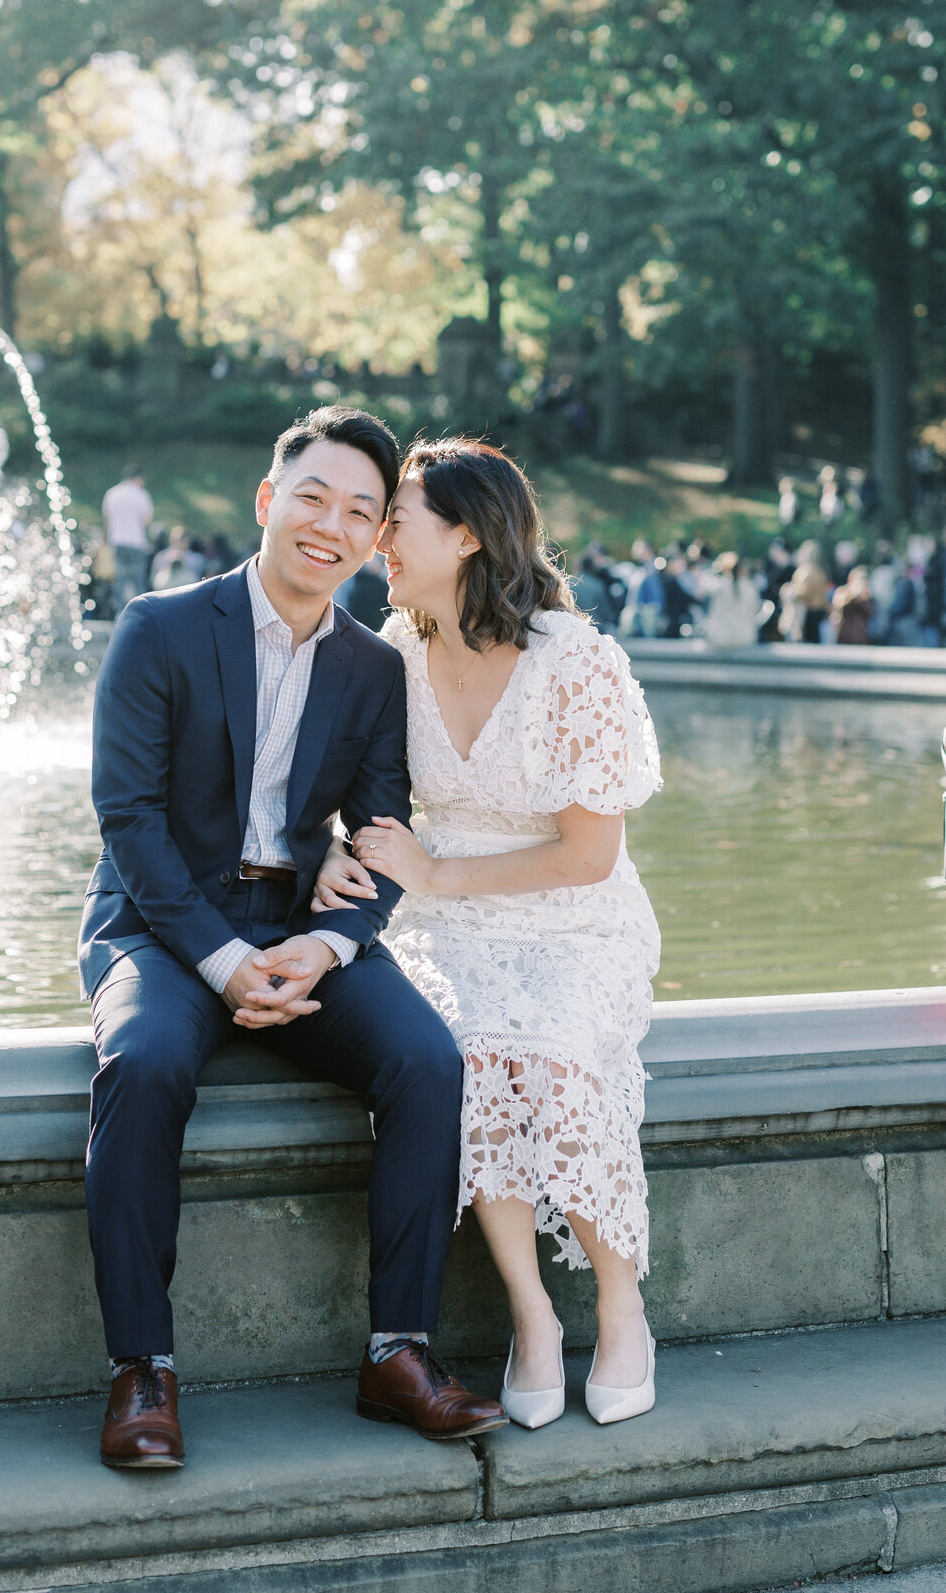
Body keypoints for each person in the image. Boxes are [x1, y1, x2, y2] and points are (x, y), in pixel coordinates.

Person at [79, 405, 506, 1471]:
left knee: (426, 1059)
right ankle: (143, 1369)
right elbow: (127, 821)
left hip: (299, 927)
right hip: (164, 926)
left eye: (362, 511)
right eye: (313, 497)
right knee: (141, 1063)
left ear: (374, 542)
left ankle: (396, 1352)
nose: (333, 523)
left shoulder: (373, 669)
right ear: (270, 503)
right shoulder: (161, 627)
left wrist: (329, 945)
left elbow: (380, 832)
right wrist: (224, 967)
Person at [315, 439, 662, 1430]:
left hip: (575, 916)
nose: (377, 537)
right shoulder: (388, 652)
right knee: (460, 1056)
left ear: (466, 534)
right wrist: (335, 860)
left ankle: (622, 1304)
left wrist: (436, 873)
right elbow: (351, 801)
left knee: (549, 1050)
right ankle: (533, 1315)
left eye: (397, 520)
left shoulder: (576, 660)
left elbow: (588, 857)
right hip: (444, 919)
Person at [101, 465, 155, 611]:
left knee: (120, 577)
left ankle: (120, 611)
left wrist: (104, 542)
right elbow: (147, 520)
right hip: (136, 542)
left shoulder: (112, 493)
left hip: (117, 541)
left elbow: (107, 520)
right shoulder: (141, 495)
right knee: (137, 578)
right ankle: (140, 610)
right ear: (138, 478)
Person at [703, 552, 763, 647]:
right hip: (745, 637)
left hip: (720, 638)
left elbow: (703, 588)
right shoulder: (749, 586)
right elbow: (756, 607)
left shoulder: (718, 585)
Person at [831, 566, 873, 646]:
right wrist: (854, 595)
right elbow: (839, 608)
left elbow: (869, 613)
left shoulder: (867, 596)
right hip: (844, 635)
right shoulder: (842, 592)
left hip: (860, 637)